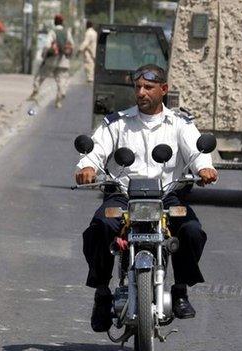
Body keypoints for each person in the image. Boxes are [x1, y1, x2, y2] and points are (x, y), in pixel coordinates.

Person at [74, 64, 218, 333]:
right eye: (138, 87)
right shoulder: (116, 122)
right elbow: (95, 151)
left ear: (163, 90)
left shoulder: (180, 124)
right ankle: (102, 294)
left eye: (148, 87)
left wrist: (204, 169)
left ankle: (179, 290)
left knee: (192, 231)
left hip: (167, 196)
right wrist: (87, 167)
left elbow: (198, 153)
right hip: (123, 195)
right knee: (100, 228)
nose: (141, 92)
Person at [29, 14, 73, 108]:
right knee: (61, 79)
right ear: (62, 22)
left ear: (55, 22)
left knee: (40, 76)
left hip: (52, 59)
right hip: (63, 60)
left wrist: (44, 55)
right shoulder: (67, 32)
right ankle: (59, 98)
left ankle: (35, 91)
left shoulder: (52, 32)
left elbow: (47, 45)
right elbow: (71, 44)